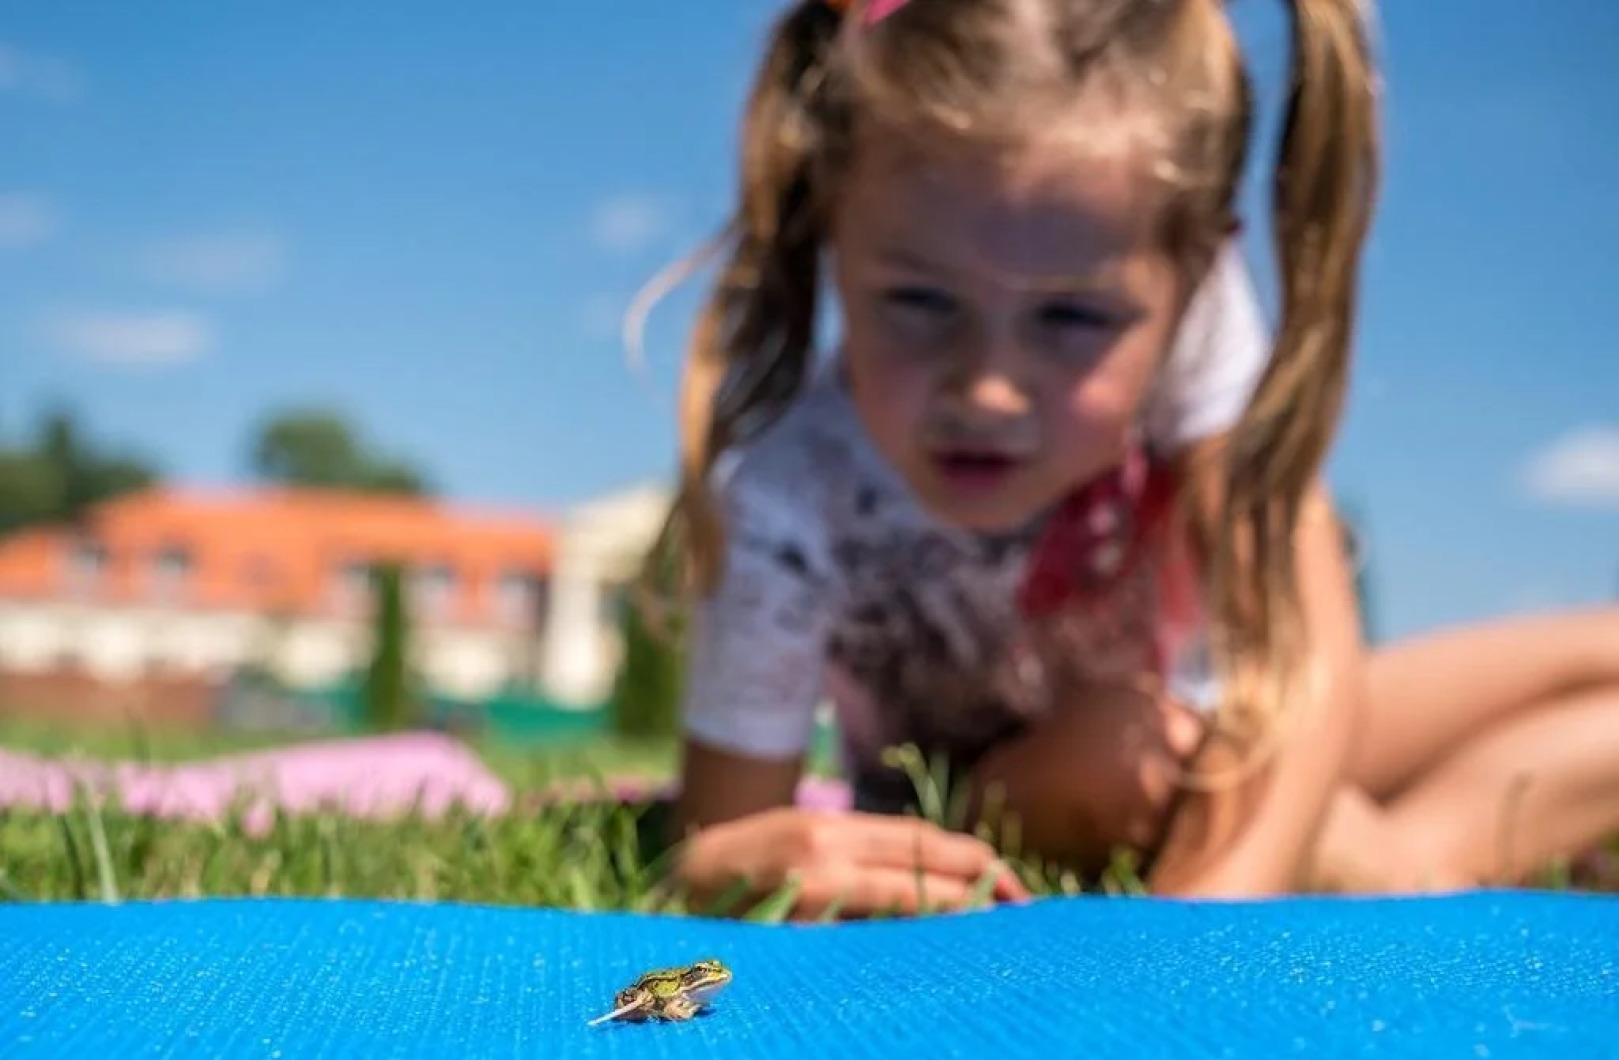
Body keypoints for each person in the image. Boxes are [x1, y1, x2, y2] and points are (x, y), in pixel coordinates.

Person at [631, 0, 1619, 919]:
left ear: (1190, 280)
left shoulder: (1173, 305)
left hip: (1218, 717)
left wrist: (1224, 884)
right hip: (1018, 788)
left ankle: (1419, 846)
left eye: (1071, 320)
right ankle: (1420, 871)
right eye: (917, 303)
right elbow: (722, 841)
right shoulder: (783, 498)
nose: (987, 386)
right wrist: (1195, 943)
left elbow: (1307, 650)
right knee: (1139, 751)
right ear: (827, 230)